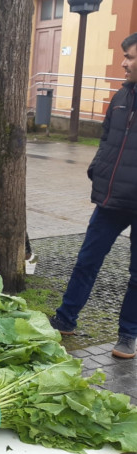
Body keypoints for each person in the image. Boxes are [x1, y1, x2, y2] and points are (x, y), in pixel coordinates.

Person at [49, 32, 137, 359]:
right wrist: (98, 168)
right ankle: (65, 319)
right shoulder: (121, 96)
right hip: (111, 199)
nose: (124, 62)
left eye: (129, 57)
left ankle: (128, 335)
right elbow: (105, 138)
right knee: (86, 260)